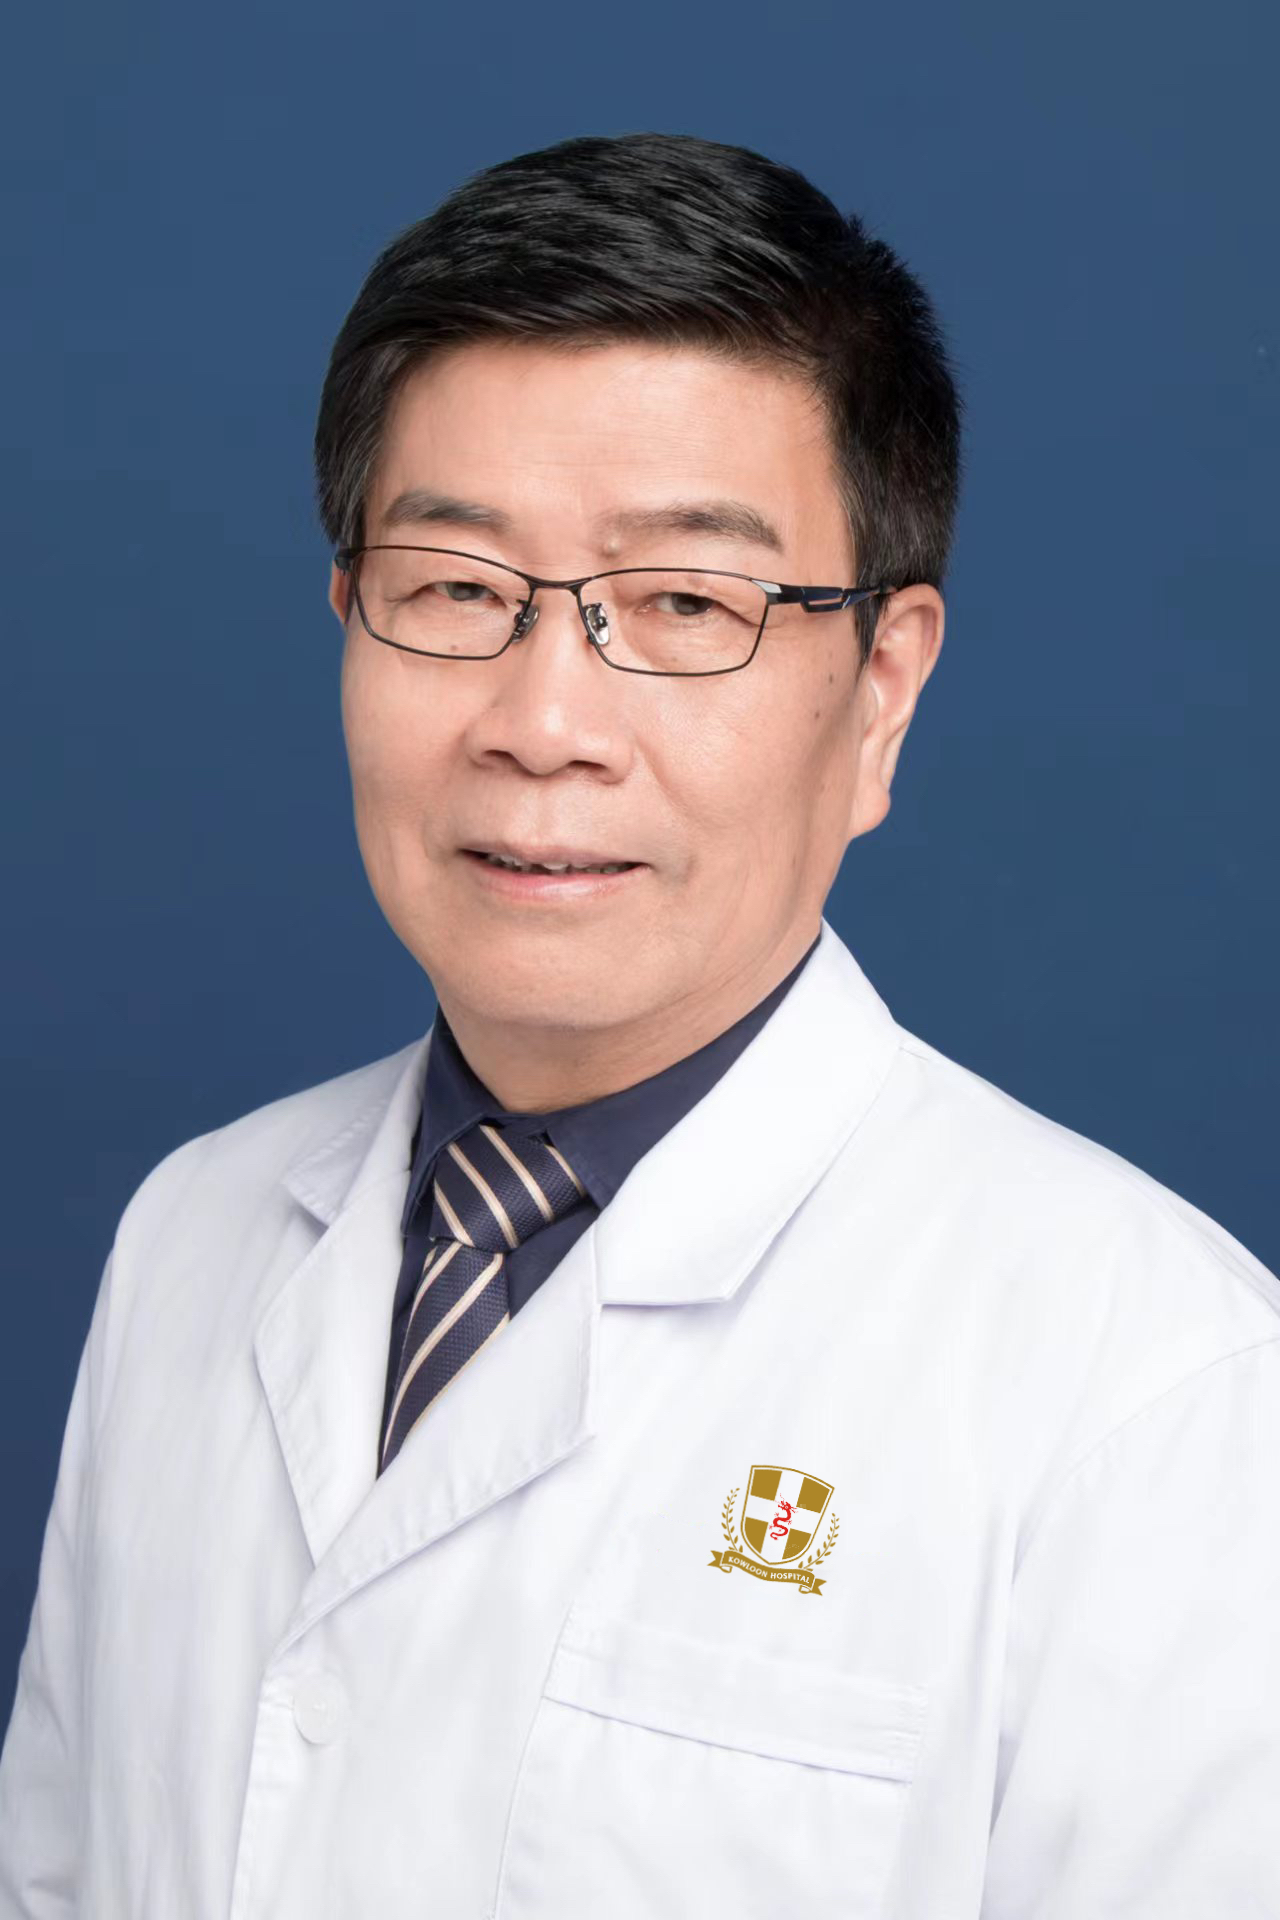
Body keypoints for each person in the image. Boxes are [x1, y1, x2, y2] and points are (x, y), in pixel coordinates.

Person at [1, 130, 1276, 1920]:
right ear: (350, 618)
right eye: (456, 589)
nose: (544, 723)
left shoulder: (1154, 1386)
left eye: (684, 605)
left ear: (882, 691)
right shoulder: (192, 1237)